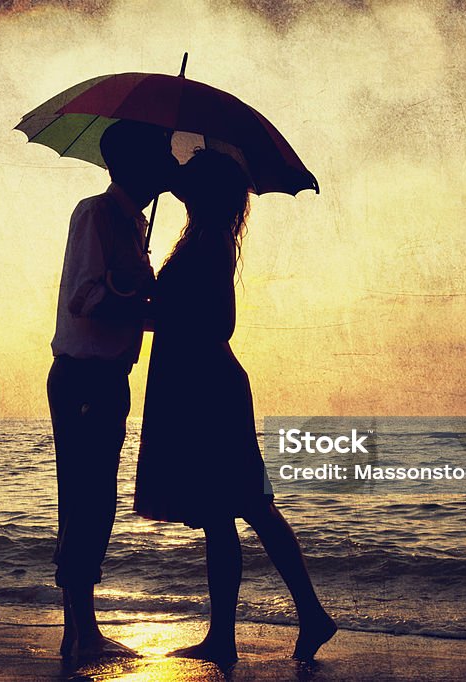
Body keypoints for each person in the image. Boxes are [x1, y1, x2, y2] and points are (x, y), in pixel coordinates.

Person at [134, 148, 337, 668]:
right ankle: (228, 634)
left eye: (192, 174)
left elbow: (218, 322)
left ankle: (302, 616)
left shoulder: (211, 240)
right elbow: (176, 315)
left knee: (248, 505)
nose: (181, 178)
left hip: (207, 389)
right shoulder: (200, 236)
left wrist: (156, 304)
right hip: (195, 386)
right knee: (225, 511)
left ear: (206, 190)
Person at [48, 119, 177, 660]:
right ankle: (82, 631)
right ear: (132, 165)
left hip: (108, 379)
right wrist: (151, 310)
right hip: (83, 376)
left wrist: (149, 306)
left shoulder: (131, 227)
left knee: (94, 500)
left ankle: (79, 629)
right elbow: (85, 297)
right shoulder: (97, 214)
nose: (166, 170)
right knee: (86, 499)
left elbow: (122, 300)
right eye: (159, 159)